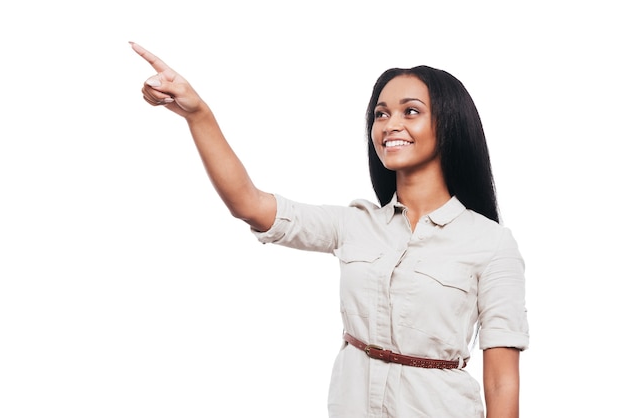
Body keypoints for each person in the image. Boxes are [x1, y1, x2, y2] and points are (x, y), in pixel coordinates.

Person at [131, 42, 529, 418]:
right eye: (380, 113)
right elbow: (250, 205)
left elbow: (500, 380)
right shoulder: (355, 224)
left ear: (449, 123)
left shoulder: (491, 244)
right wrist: (197, 113)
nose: (390, 124)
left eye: (411, 111)